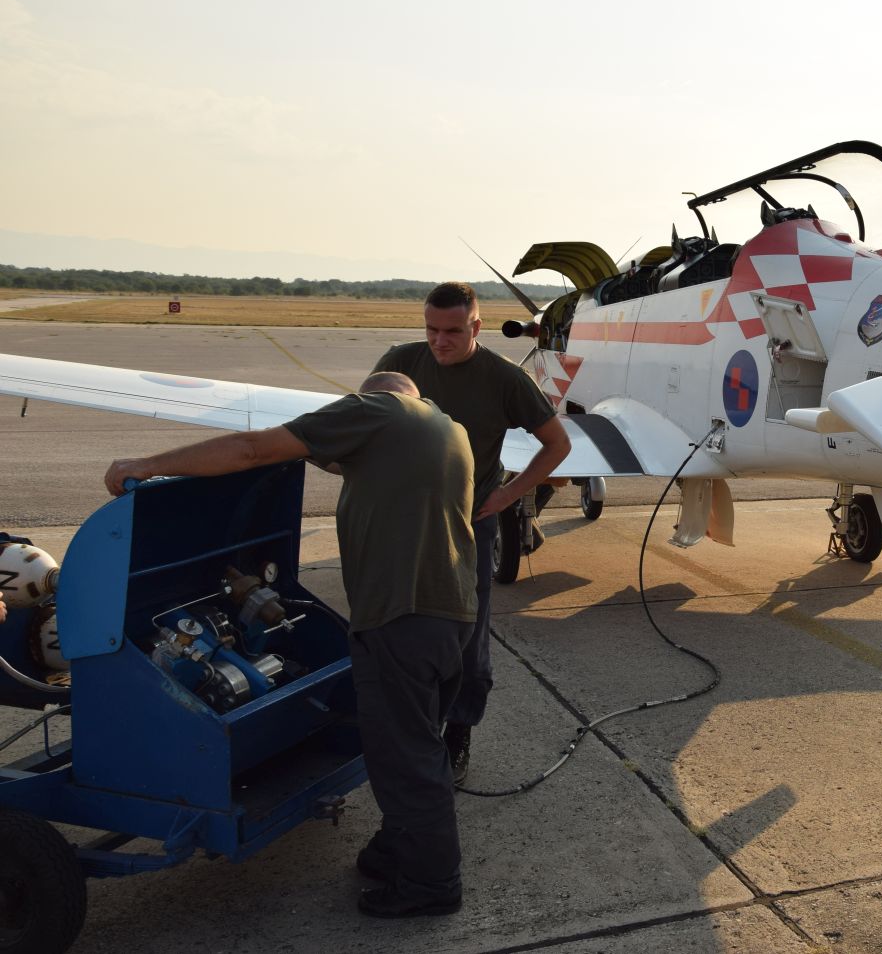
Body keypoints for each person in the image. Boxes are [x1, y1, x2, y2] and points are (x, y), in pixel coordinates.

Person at [105, 372, 478, 919]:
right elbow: (328, 459)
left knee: (405, 755)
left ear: (373, 398)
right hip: (448, 617)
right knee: (415, 742)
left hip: (402, 618)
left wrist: (146, 465)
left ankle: (432, 883)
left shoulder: (376, 410)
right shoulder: (446, 430)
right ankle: (402, 847)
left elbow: (252, 447)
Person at [373, 281, 570, 785]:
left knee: (468, 639)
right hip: (404, 523)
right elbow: (363, 423)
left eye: (453, 331)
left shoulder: (503, 379)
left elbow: (556, 444)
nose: (439, 341)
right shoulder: (400, 362)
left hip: (468, 528)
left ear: (477, 327)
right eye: (431, 330)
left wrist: (508, 496)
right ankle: (409, 731)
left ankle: (457, 735)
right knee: (398, 630)